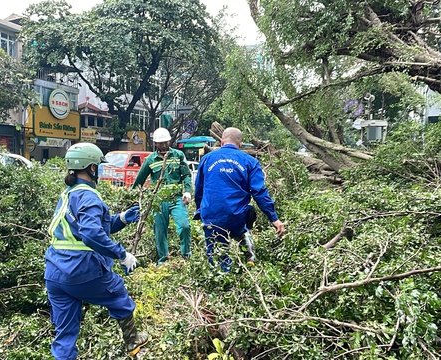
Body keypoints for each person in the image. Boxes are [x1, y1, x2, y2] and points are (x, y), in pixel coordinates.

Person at [46, 142, 148, 359]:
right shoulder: (89, 196)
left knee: (65, 333)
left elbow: (89, 228)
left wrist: (120, 219)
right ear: (92, 168)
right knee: (119, 294)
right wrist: (121, 255)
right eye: (98, 167)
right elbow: (91, 234)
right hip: (80, 270)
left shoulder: (69, 194)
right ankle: (133, 342)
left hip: (55, 273)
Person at [194, 127, 284, 272]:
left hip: (211, 218)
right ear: (240, 144)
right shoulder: (250, 162)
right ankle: (244, 237)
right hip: (236, 218)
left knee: (217, 259)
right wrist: (274, 218)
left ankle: (222, 277)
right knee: (248, 212)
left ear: (221, 142)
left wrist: (200, 211)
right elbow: (259, 192)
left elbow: (199, 189)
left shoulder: (206, 159)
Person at [131, 128, 192, 265]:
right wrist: (133, 199)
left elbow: (186, 175)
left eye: (165, 142)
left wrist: (187, 191)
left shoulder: (178, 155)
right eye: (160, 143)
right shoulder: (150, 160)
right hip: (158, 202)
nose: (163, 146)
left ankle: (186, 256)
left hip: (177, 199)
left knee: (184, 225)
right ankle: (163, 260)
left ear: (169, 141)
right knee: (159, 231)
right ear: (156, 144)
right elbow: (139, 182)